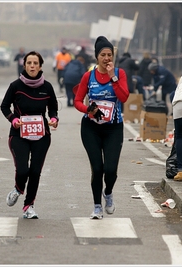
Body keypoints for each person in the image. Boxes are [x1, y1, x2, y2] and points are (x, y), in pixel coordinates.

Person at [74, 36, 129, 219]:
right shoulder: (88, 76)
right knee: (97, 168)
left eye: (109, 55)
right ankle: (97, 206)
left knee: (110, 170)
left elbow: (124, 97)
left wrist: (113, 77)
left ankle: (109, 192)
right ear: (97, 57)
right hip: (91, 128)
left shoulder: (119, 74)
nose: (107, 58)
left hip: (113, 128)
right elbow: (77, 101)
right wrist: (88, 110)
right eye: (103, 55)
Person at [0, 51, 59, 219]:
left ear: (40, 66)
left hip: (42, 136)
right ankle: (18, 188)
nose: (32, 66)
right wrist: (13, 119)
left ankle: (28, 206)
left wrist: (54, 118)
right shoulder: (15, 86)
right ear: (24, 65)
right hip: (19, 135)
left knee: (35, 172)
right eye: (29, 63)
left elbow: (53, 107)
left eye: (35, 63)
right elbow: (4, 106)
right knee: (23, 169)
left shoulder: (47, 87)